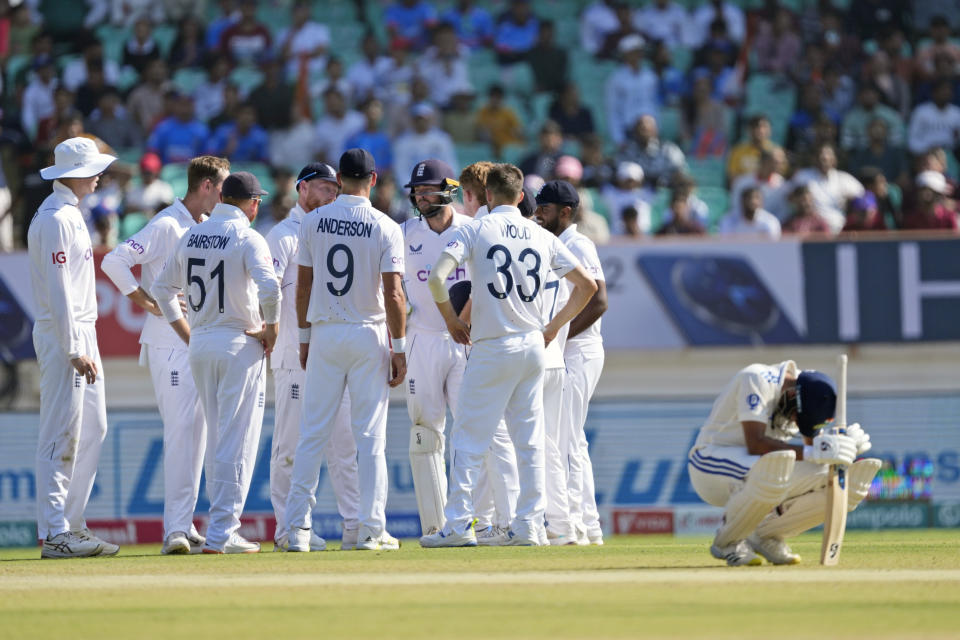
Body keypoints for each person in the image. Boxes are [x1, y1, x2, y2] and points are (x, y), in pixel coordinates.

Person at [420, 164, 597, 547]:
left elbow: (437, 278)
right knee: (530, 439)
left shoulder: (474, 228)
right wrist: (553, 328)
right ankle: (530, 526)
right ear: (520, 197)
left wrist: (451, 319)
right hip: (533, 345)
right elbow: (586, 286)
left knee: (468, 437)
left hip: (493, 343)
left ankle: (458, 525)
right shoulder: (540, 233)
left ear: (487, 196)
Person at [102, 155, 230, 554]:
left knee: (197, 435)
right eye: (222, 188)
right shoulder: (166, 224)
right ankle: (174, 528)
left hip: (195, 339)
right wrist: (144, 299)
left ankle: (185, 523)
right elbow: (115, 260)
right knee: (180, 435)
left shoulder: (205, 226)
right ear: (205, 186)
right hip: (168, 343)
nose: (226, 197)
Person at [285, 149, 407, 552]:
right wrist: (400, 346)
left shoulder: (314, 221)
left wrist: (303, 339)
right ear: (373, 179)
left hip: (324, 332)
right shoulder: (387, 226)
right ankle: (370, 529)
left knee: (312, 434)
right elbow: (393, 293)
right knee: (369, 437)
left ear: (339, 179)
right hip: (366, 331)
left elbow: (302, 286)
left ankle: (295, 529)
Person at [152, 171, 281, 554]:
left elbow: (161, 289)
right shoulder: (247, 237)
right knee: (236, 442)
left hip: (202, 341)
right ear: (253, 203)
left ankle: (221, 526)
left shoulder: (191, 234)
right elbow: (271, 287)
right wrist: (271, 328)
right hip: (238, 343)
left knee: (218, 440)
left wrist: (186, 331)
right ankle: (224, 530)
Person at [688, 362, 880, 566]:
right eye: (796, 416)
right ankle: (728, 542)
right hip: (709, 463)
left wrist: (842, 448)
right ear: (791, 395)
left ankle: (765, 535)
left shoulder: (806, 395)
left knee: (835, 476)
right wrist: (817, 452)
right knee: (773, 468)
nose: (795, 421)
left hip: (757, 468)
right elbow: (756, 443)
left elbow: (814, 449)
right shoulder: (756, 378)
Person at [29, 137, 120, 559]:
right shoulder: (55, 218)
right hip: (66, 334)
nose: (100, 174)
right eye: (94, 168)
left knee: (93, 427)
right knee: (59, 432)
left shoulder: (69, 214)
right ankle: (54, 532)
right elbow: (59, 289)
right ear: (76, 172)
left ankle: (73, 524)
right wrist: (71, 347)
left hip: (82, 332)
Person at [265, 163, 361, 552]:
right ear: (301, 189)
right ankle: (290, 528)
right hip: (292, 355)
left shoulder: (329, 231)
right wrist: (268, 331)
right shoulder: (283, 234)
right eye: (322, 187)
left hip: (331, 354)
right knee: (290, 446)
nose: (330, 194)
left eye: (334, 187)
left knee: (343, 445)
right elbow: (265, 290)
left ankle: (355, 525)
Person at [399, 159, 472, 537]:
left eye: (428, 189)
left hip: (465, 341)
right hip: (422, 339)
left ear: (449, 189)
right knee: (425, 433)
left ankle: (475, 520)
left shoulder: (473, 231)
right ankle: (435, 526)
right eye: (417, 190)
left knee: (474, 431)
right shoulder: (403, 232)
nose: (421, 196)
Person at [535, 180, 608, 545]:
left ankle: (576, 523)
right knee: (571, 439)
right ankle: (587, 525)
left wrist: (559, 334)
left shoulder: (578, 243)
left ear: (565, 211)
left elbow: (598, 301)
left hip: (579, 351)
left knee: (565, 440)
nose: (538, 213)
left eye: (544, 208)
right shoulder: (554, 242)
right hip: (570, 351)